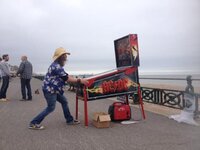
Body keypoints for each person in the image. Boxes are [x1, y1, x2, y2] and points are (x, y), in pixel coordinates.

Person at [29, 47, 88, 130]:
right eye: (64, 55)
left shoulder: (57, 65)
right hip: (50, 90)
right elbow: (66, 78)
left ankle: (69, 120)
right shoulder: (56, 66)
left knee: (64, 101)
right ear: (60, 56)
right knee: (51, 108)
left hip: (53, 89)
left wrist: (75, 78)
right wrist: (80, 80)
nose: (66, 57)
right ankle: (34, 123)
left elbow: (65, 75)